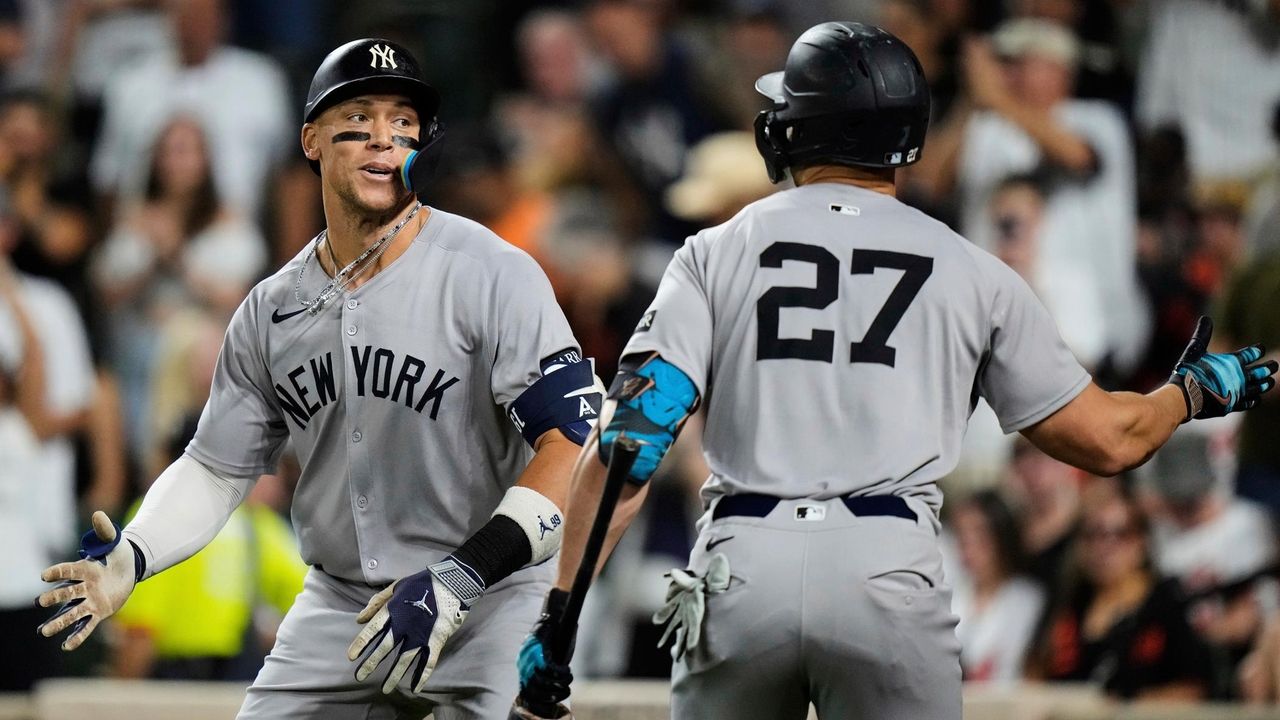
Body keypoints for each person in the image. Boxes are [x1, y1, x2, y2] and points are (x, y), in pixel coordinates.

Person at [513, 22, 1278, 720]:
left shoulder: (718, 249)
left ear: (805, 127)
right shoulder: (971, 268)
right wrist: (1192, 393)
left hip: (745, 564)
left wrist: (558, 617)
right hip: (888, 565)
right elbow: (1112, 441)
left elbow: (632, 443)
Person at [37, 38, 601, 720]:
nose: (384, 140)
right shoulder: (273, 308)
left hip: (488, 595)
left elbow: (571, 443)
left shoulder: (492, 271)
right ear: (312, 140)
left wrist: (464, 574)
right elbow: (217, 468)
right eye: (360, 120)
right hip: (340, 602)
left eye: (403, 123)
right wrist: (134, 556)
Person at [1031, 484, 1211, 700]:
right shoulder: (1069, 602)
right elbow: (1036, 673)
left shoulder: (1168, 604)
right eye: (1092, 534)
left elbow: (1194, 689)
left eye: (1119, 534)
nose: (1104, 547)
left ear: (1141, 542)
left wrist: (1120, 711)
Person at [949, 490, 1045, 684]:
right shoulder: (950, 593)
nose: (968, 547)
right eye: (962, 536)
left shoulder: (1026, 598)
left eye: (979, 535)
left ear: (1001, 537)